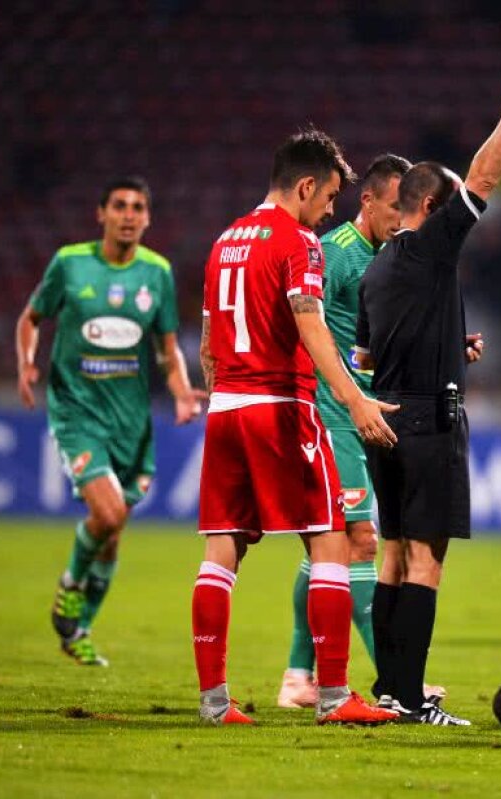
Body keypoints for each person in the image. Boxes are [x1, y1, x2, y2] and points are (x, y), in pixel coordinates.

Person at [355, 61, 501, 726]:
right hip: (431, 424)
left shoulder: (377, 269)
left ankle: (388, 690)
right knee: (427, 562)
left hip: (385, 419)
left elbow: (370, 353)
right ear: (433, 208)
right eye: (454, 204)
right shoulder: (429, 248)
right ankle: (409, 700)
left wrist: (447, 344)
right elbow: (486, 177)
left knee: (392, 553)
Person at [193, 130, 400, 726]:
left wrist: (225, 392)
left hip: (226, 408)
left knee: (221, 550)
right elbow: (312, 329)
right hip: (281, 406)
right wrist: (354, 400)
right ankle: (334, 696)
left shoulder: (224, 240)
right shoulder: (300, 243)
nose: (331, 209)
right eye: (330, 195)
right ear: (305, 186)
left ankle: (214, 702)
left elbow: (208, 344)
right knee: (331, 540)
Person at [16, 177, 204, 667]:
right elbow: (31, 319)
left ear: (148, 218)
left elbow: (166, 348)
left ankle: (79, 628)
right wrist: (27, 363)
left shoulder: (157, 273)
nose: (128, 214)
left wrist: (183, 393)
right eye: (119, 205)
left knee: (112, 530)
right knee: (111, 514)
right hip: (78, 412)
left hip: (130, 421)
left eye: (138, 207)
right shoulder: (70, 262)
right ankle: (70, 585)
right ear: (100, 213)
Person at [278, 154, 415, 709]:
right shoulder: (334, 254)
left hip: (372, 413)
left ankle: (295, 677)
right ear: (369, 200)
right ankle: (394, 683)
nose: (402, 218)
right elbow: (302, 321)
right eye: (395, 207)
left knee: (324, 547)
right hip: (334, 413)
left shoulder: (391, 258)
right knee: (360, 541)